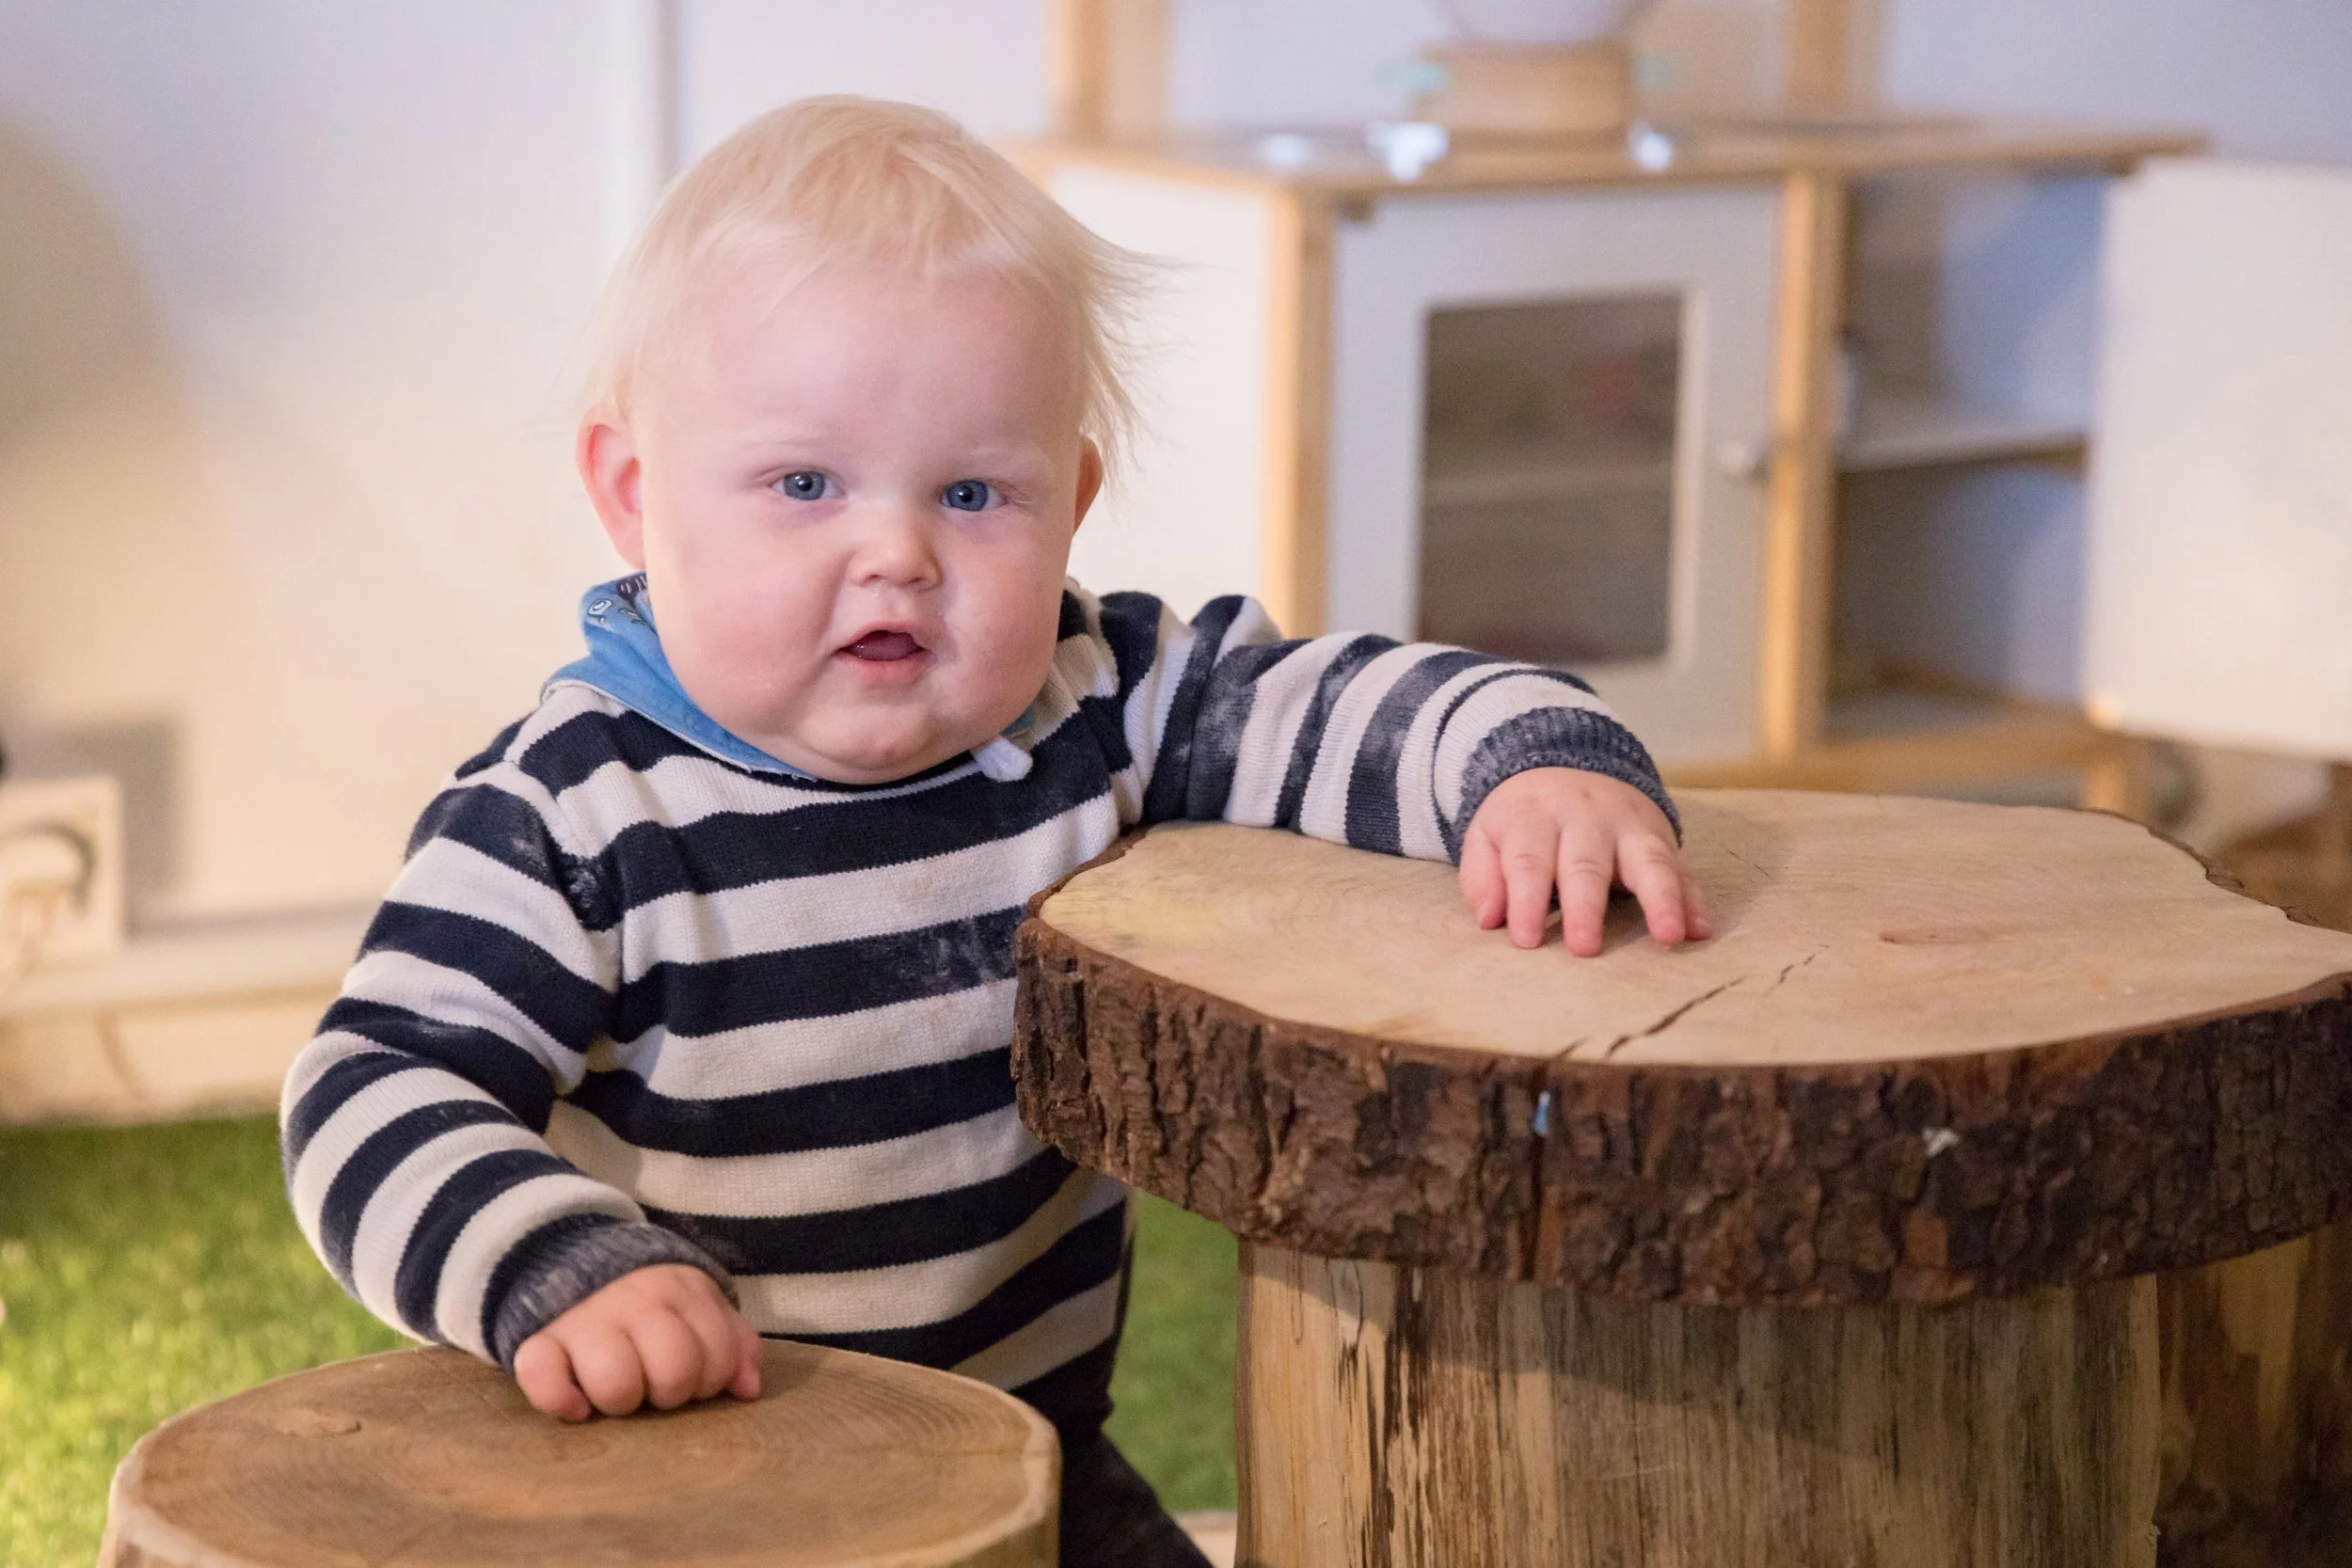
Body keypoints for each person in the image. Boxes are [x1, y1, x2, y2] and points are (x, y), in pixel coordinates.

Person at [279, 96, 1708, 1566]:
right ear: (635, 498)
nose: (896, 550)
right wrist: (552, 1266)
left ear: (1071, 503)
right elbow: (369, 1089)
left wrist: (1532, 763)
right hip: (696, 1489)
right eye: (804, 484)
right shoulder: (574, 815)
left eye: (973, 492)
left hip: (1028, 1465)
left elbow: (1329, 702)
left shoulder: (1087, 705)